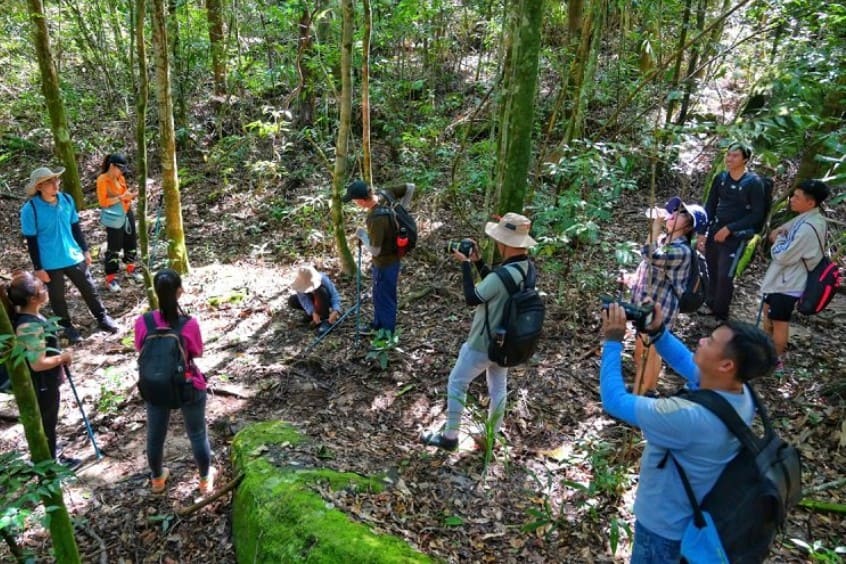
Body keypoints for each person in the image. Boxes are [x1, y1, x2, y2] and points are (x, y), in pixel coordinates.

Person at [600, 302, 776, 562]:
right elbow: (686, 361)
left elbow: (615, 401)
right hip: (690, 517)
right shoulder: (740, 393)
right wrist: (658, 333)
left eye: (711, 341)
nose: (703, 340)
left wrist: (613, 341)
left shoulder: (688, 417)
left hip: (662, 530)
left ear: (726, 365)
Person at [421, 213, 537, 451]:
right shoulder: (527, 268)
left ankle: (450, 437)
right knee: (497, 388)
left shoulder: (502, 274)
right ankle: (491, 434)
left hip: (483, 342)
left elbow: (472, 297)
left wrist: (464, 264)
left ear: (505, 243)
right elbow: (498, 287)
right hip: (506, 342)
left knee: (456, 382)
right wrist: (478, 262)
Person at [134, 269, 214, 495]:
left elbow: (140, 349)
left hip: (154, 385)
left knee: (155, 435)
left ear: (157, 293)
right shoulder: (188, 324)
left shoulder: (143, 321)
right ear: (179, 291)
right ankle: (204, 480)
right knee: (197, 434)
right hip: (187, 385)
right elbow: (197, 352)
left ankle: (157, 479)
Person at [20, 166, 119, 344]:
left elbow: (75, 227)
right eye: (49, 181)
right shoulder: (30, 209)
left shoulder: (66, 199)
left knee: (89, 288)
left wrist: (85, 250)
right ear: (39, 187)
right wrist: (38, 268)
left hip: (74, 255)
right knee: (57, 297)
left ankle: (103, 317)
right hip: (50, 261)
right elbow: (31, 240)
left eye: (56, 180)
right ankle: (67, 327)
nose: (55, 184)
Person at [626, 197, 707, 396]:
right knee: (640, 350)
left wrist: (654, 228)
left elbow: (651, 255)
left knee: (650, 352)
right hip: (644, 303)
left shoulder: (682, 251)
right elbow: (647, 262)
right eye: (675, 211)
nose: (672, 215)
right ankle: (642, 387)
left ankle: (646, 393)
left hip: (660, 308)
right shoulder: (664, 241)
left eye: (681, 213)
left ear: (689, 226)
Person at [1, 270, 79, 468]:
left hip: (45, 382)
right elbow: (37, 363)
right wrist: (63, 357)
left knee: (49, 422)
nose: (45, 290)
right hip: (41, 383)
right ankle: (49, 465)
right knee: (46, 423)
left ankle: (50, 457)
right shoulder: (29, 326)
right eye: (41, 288)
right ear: (33, 298)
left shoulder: (28, 315)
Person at [760, 179, 830, 370]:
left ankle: (775, 362)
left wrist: (778, 238)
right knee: (768, 314)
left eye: (797, 197)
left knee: (779, 322)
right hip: (783, 280)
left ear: (810, 203)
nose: (792, 199)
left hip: (788, 283)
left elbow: (783, 255)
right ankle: (767, 354)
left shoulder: (809, 228)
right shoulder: (808, 218)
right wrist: (780, 233)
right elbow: (786, 229)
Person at [699, 143, 766, 322]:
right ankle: (710, 303)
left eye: (735, 156)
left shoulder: (753, 183)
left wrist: (730, 229)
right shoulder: (720, 178)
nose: (729, 159)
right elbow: (710, 205)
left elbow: (757, 214)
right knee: (711, 268)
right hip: (715, 231)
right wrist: (701, 232)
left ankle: (721, 313)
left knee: (725, 274)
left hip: (735, 237)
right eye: (728, 155)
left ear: (745, 159)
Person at [342, 180, 414, 335]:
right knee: (378, 295)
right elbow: (410, 187)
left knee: (385, 298)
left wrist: (362, 235)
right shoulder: (385, 193)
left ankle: (386, 335)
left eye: (354, 201)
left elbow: (375, 250)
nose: (355, 203)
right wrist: (403, 210)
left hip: (385, 263)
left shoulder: (375, 219)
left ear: (361, 201)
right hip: (391, 257)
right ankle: (378, 325)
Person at [97, 153, 141, 292]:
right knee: (114, 245)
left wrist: (130, 196)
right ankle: (110, 277)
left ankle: (131, 269)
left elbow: (125, 195)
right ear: (112, 166)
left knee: (131, 240)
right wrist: (122, 197)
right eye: (119, 168)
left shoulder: (120, 178)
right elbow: (103, 202)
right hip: (113, 215)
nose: (121, 171)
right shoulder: (102, 180)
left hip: (126, 212)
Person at [287, 264, 342, 333]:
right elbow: (304, 300)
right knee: (292, 300)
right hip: (313, 302)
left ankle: (325, 319)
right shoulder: (299, 285)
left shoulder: (323, 279)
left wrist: (335, 310)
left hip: (324, 300)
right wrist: (312, 312)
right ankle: (315, 315)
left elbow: (335, 295)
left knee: (321, 291)